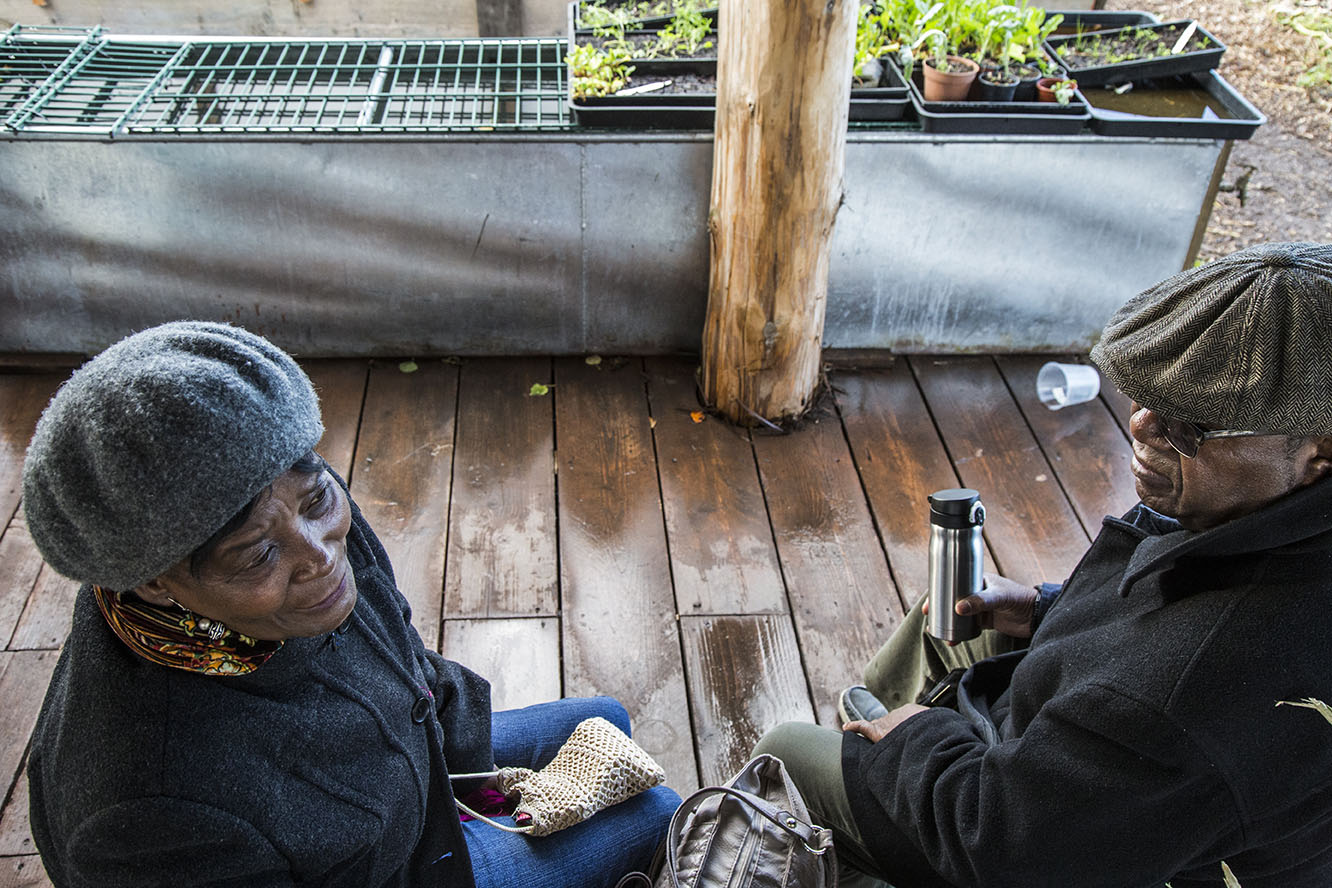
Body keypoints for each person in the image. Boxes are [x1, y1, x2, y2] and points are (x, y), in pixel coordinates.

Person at [753, 242, 1332, 888]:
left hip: (1045, 835)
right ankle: (873, 743)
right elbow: (1164, 605)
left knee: (783, 755)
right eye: (1143, 395)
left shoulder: (1195, 692)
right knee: (945, 621)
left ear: (1320, 451)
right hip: (1095, 777)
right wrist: (1045, 608)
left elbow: (1004, 847)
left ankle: (871, 772)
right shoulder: (1268, 515)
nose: (1141, 426)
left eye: (1188, 426)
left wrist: (918, 745)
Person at [21, 321, 679, 888]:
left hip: (417, 767)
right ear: (155, 583)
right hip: (405, 867)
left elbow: (401, 651)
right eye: (256, 557)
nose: (320, 555)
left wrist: (470, 778)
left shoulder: (293, 508)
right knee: (657, 810)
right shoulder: (146, 815)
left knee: (608, 719)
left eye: (317, 501)